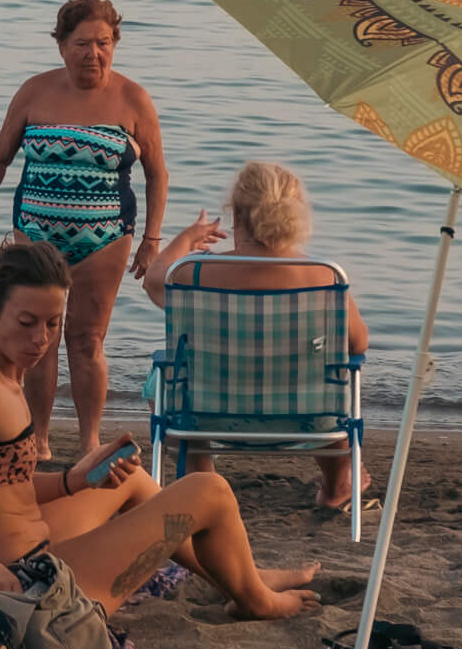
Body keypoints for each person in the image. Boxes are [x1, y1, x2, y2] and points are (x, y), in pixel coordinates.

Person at [0, 240, 319, 621]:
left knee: (132, 478)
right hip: (23, 590)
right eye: (27, 322)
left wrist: (72, 481)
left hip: (21, 554)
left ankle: (243, 575)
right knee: (210, 491)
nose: (41, 339)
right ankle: (257, 601)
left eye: (52, 323)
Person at [0, 0, 167, 460]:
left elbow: (157, 173)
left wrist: (152, 240)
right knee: (39, 339)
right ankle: (37, 437)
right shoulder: (35, 92)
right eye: (81, 43)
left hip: (105, 235)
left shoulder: (133, 98)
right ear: (61, 46)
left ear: (115, 43)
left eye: (102, 43)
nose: (92, 53)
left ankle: (89, 440)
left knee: (87, 339)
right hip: (36, 231)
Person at [144, 160, 375, 514]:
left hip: (207, 415)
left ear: (236, 212)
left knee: (161, 382)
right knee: (336, 381)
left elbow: (153, 280)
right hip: (307, 418)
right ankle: (336, 486)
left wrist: (186, 240)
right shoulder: (324, 277)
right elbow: (358, 345)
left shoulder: (194, 274)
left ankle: (202, 483)